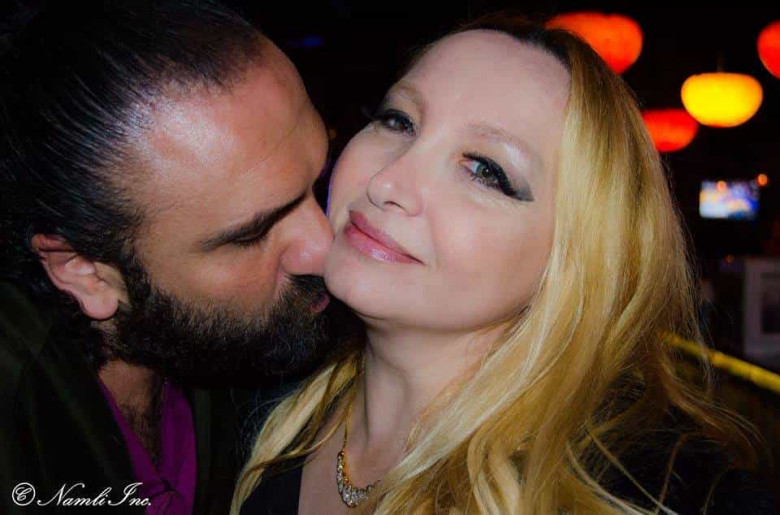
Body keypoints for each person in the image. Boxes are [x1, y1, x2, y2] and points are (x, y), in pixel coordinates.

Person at [234, 15, 774, 515]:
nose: (387, 182)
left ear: (575, 258)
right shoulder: (246, 391)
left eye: (485, 170)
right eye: (398, 121)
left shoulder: (657, 494)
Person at [0, 1, 334, 513]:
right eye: (252, 235)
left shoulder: (232, 348)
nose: (325, 247)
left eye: (318, 182)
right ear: (85, 273)